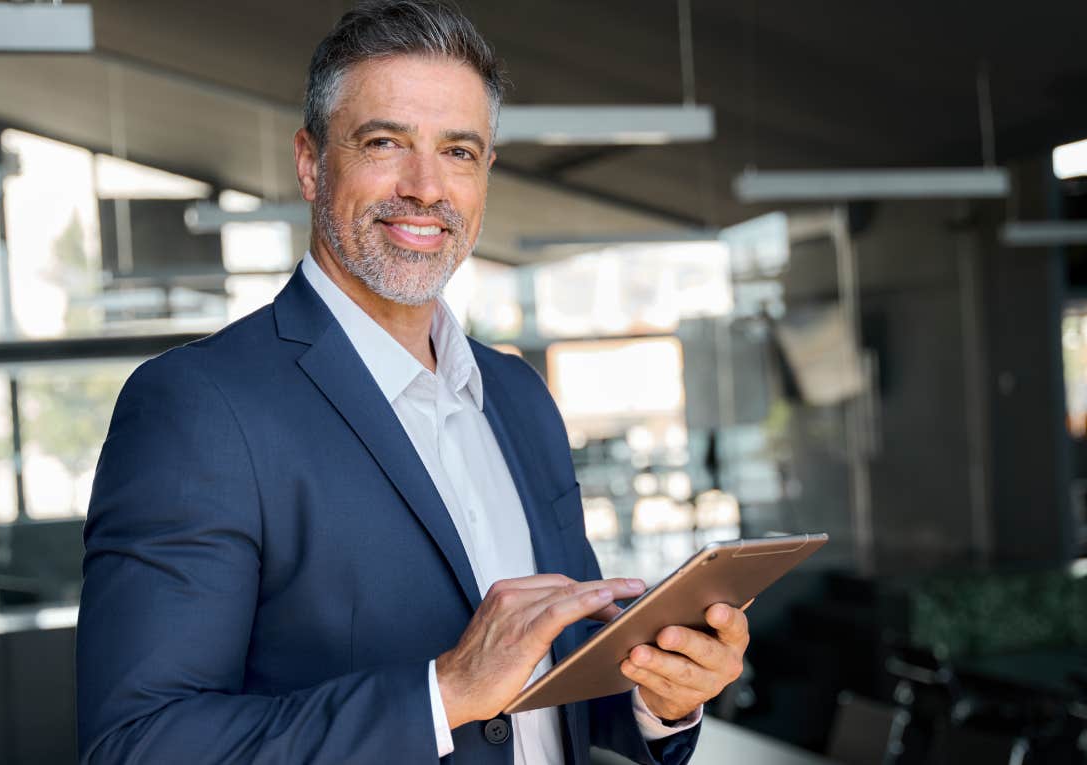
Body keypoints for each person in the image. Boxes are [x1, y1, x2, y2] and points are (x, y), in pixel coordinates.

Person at [75, 2, 748, 762]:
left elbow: (567, 689)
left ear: (486, 173)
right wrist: (445, 692)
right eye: (385, 142)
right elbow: (139, 743)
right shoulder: (200, 407)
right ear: (309, 161)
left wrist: (661, 694)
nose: (426, 187)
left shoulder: (519, 397)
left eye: (459, 151)